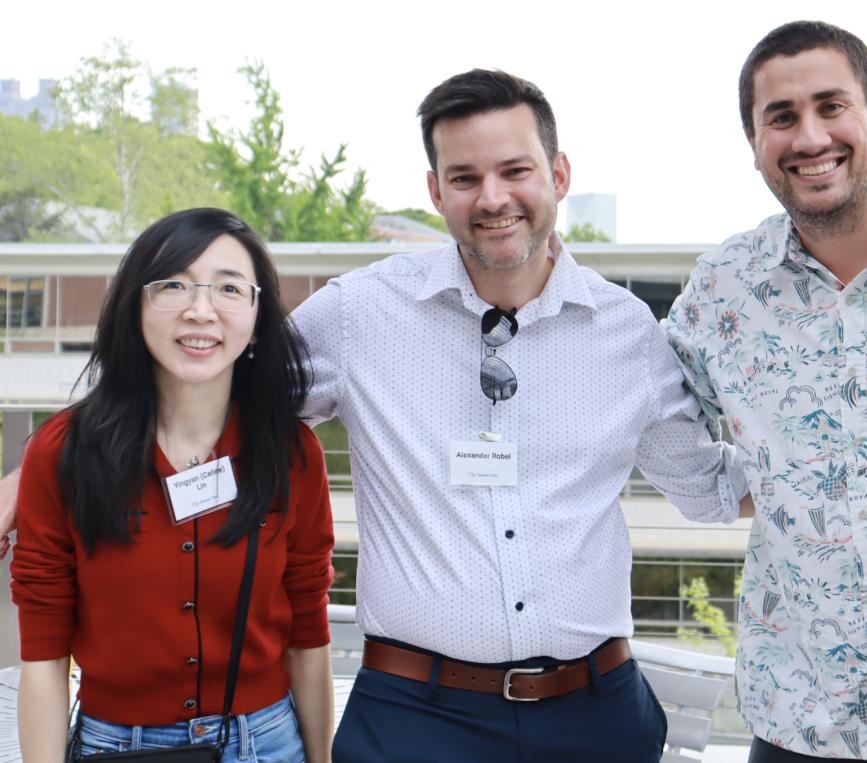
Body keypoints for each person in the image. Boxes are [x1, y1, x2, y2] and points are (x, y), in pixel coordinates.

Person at [289, 69, 749, 762]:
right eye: (465, 177)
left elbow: (707, 488)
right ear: (435, 191)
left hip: (596, 717)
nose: (493, 198)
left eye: (515, 170)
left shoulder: (628, 331)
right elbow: (224, 410)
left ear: (559, 174)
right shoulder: (357, 313)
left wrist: (852, 456)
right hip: (414, 719)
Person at [665, 20, 867, 763]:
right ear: (755, 144)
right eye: (781, 117)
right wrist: (764, 486)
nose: (810, 137)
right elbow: (650, 407)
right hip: (804, 725)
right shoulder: (723, 289)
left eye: (831, 106)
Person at [11, 208, 334, 762]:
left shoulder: (291, 452)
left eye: (228, 288)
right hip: (119, 747)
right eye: (173, 285)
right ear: (134, 305)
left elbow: (308, 633)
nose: (200, 310)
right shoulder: (62, 454)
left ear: (257, 317)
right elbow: (43, 656)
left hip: (266, 742)